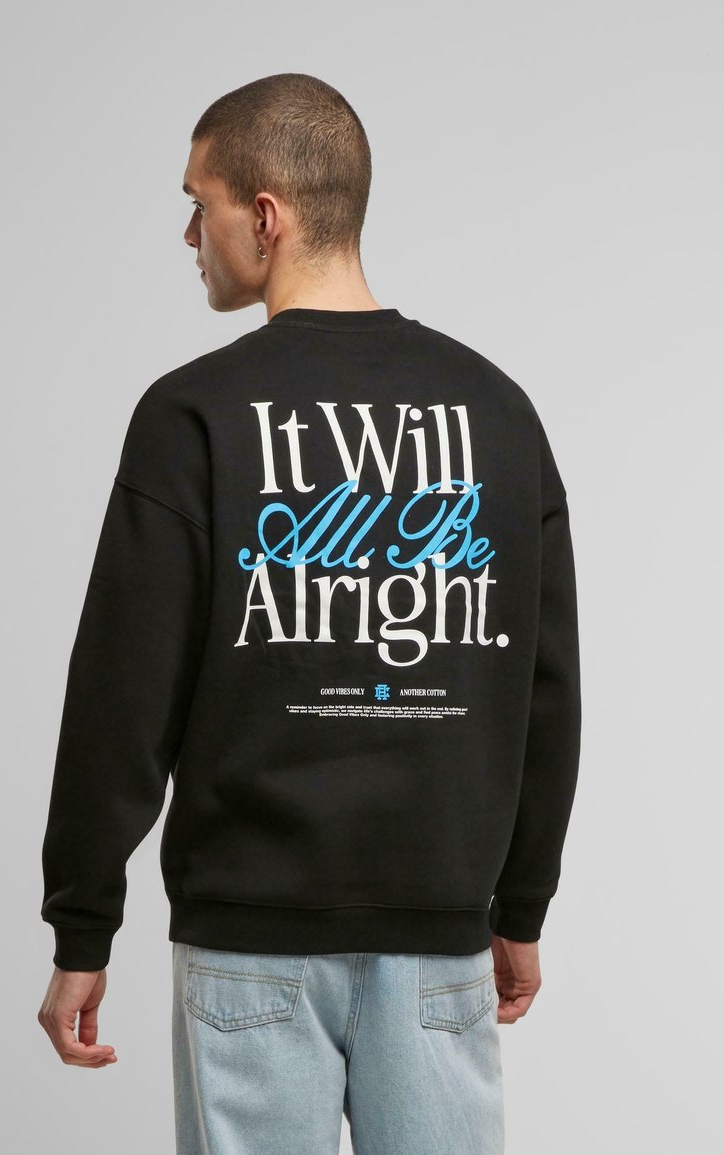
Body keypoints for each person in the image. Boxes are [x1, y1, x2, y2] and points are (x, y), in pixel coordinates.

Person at [37, 73, 582, 1155]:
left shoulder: (192, 414)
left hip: (250, 946)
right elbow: (546, 688)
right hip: (438, 941)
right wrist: (519, 908)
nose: (188, 234)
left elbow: (123, 694)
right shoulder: (497, 413)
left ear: (265, 215)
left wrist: (81, 927)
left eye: (198, 203)